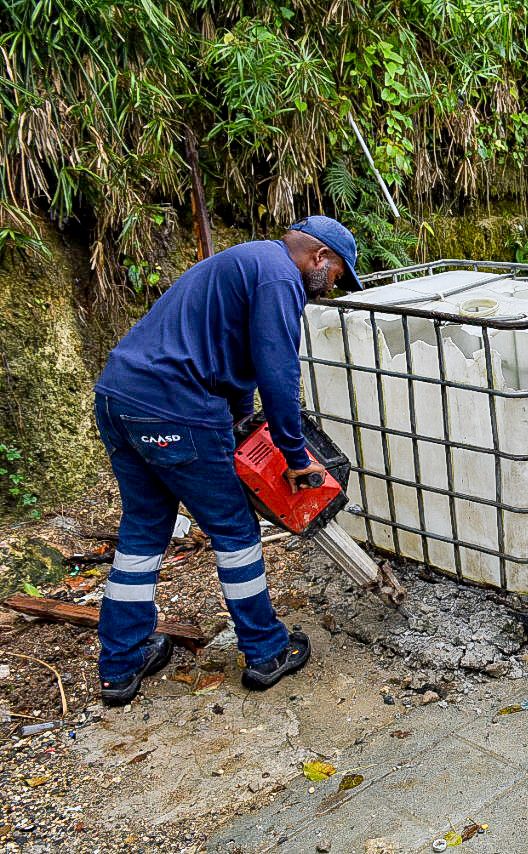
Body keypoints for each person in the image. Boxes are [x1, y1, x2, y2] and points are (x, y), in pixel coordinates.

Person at [93, 216, 363, 705]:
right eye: (339, 272)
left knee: (143, 530)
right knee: (235, 531)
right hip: (175, 409)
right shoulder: (281, 277)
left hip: (119, 397)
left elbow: (231, 361)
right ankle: (265, 650)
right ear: (320, 257)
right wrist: (294, 453)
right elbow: (277, 370)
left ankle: (121, 661)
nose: (334, 285)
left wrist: (242, 425)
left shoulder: (249, 261)